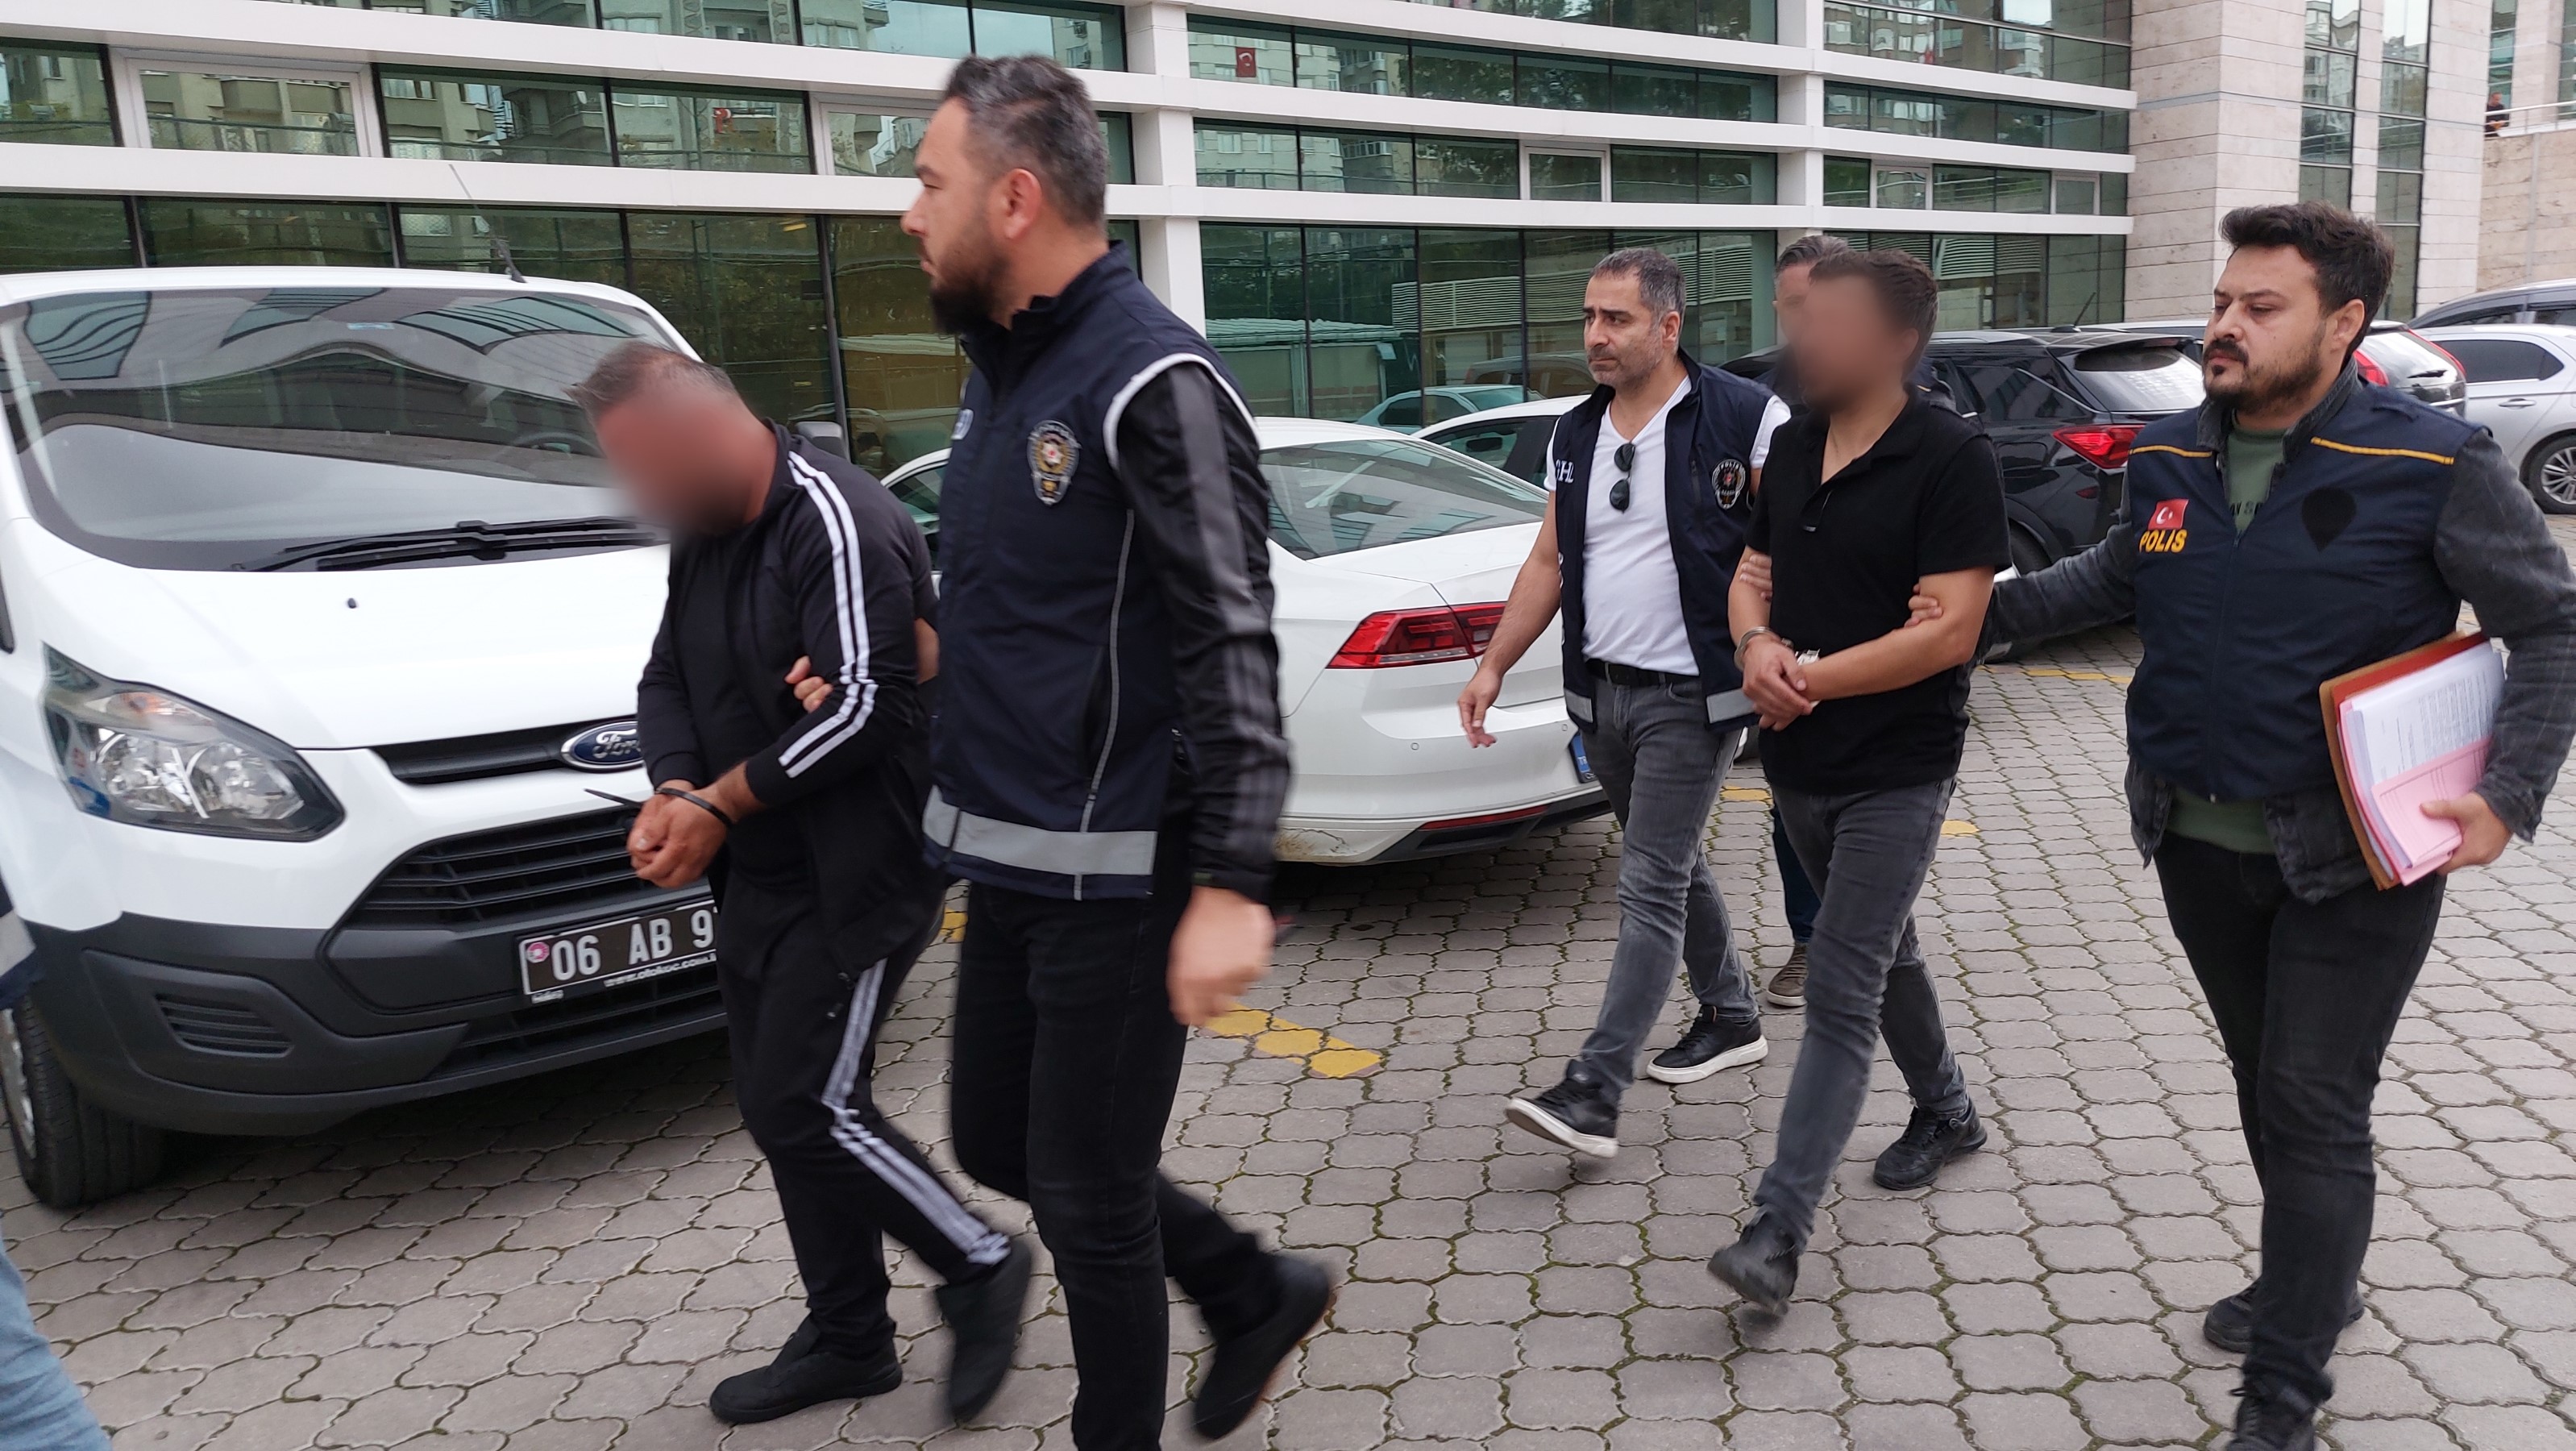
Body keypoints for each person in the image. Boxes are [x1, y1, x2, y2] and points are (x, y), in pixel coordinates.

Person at [1942, 202, 2576, 1451]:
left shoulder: (2433, 464)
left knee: (2310, 1100)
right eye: (2224, 300)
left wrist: (2508, 795)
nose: (2223, 325)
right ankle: (2313, 1281)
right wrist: (1969, 618)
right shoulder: (2170, 452)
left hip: (2359, 856)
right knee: (2263, 1079)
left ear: (2345, 324)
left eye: (2260, 306)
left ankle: (2282, 1395)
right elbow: (2117, 577)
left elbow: (2551, 625)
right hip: (2193, 838)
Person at [899, 55, 1332, 1450]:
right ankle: (1250, 1288)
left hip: (1128, 862)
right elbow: (1033, 609)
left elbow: (1231, 639)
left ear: (1015, 198)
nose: (909, 212)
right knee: (995, 1142)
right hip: (1016, 857)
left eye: (930, 182)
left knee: (1087, 1198)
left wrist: (1233, 881)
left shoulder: (1155, 379)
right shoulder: (1005, 370)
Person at [589, 345, 1033, 1428]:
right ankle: (849, 1337)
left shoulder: (836, 520)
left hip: (857, 869)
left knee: (805, 1103)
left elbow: (870, 705)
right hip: (758, 873)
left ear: (707, 431)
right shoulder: (701, 531)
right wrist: (675, 786)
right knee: (782, 1107)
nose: (637, 494)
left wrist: (717, 804)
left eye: (645, 468)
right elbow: (666, 674)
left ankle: (979, 1262)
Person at [1705, 248, 2005, 1315]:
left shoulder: (1951, 456)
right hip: (1798, 761)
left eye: (1829, 325)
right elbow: (1753, 574)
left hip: (1897, 766)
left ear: (1897, 343)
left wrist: (1804, 675)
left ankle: (1776, 1233)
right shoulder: (1792, 443)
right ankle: (1948, 1111)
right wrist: (1755, 646)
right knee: (1884, 949)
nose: (1804, 343)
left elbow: (1949, 634)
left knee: (1840, 977)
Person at [1457, 248, 1789, 1160]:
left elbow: (1797, 543)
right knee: (1669, 863)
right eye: (1589, 318)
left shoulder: (1746, 416)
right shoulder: (1575, 432)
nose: (1595, 336)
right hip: (1598, 693)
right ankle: (1731, 1014)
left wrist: (1786, 652)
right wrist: (1492, 665)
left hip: (1693, 694)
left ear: (1669, 327)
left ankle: (1594, 1091)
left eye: (1617, 319)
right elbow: (1548, 561)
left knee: (1646, 882)